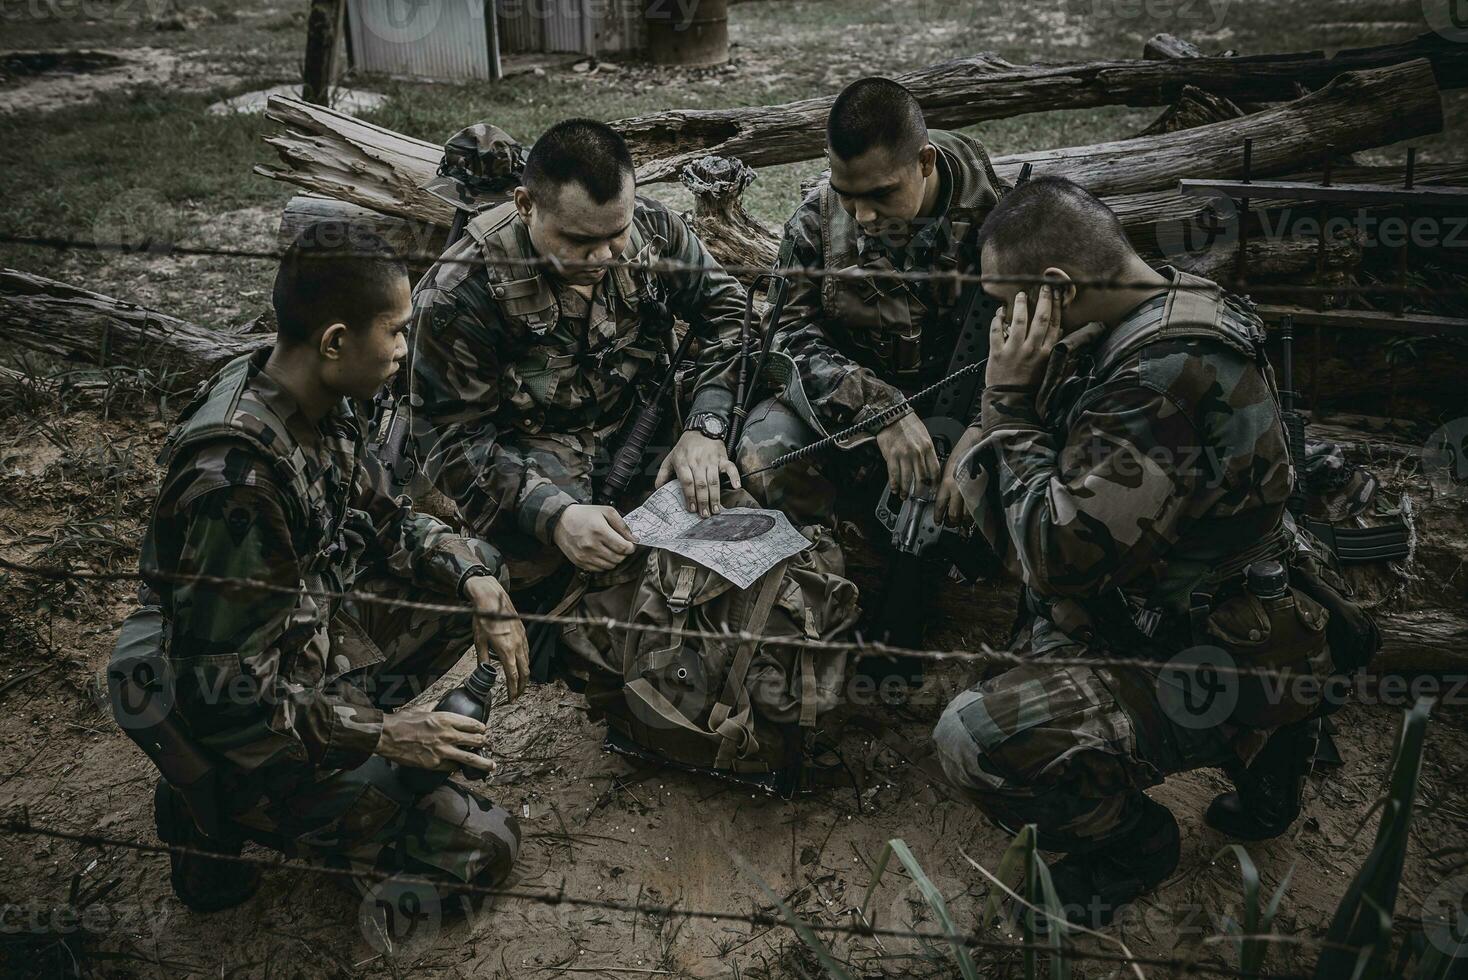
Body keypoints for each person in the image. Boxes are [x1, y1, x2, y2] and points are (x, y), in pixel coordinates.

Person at [933, 177, 1330, 927]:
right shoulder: (1165, 308)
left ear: (1054, 289)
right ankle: (1272, 744)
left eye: (1002, 300)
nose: (998, 319)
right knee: (1032, 623)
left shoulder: (1159, 379)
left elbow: (1058, 554)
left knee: (974, 738)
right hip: (1225, 603)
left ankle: (1136, 845)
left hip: (1210, 649)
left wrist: (1006, 406)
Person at [125, 225, 529, 912]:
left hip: (299, 647)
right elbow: (225, 701)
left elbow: (390, 518)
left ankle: (345, 772)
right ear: (336, 340)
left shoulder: (317, 400)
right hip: (236, 728)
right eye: (396, 331)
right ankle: (207, 807)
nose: (405, 349)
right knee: (486, 845)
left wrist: (477, 582)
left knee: (476, 566)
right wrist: (386, 736)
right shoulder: (237, 483)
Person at [408, 118, 749, 593]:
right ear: (525, 206)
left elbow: (732, 312)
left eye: (615, 234)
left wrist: (706, 424)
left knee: (749, 471)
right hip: (535, 452)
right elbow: (450, 440)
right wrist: (554, 515)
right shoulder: (460, 290)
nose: (603, 257)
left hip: (647, 417)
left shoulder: (653, 229)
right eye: (579, 242)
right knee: (563, 574)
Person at [735, 76, 1006, 535]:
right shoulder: (816, 222)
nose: (861, 215)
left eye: (880, 194)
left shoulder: (998, 217)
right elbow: (783, 339)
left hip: (968, 415)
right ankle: (821, 579)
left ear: (925, 162)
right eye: (847, 194)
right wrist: (879, 409)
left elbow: (1031, 339)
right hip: (854, 414)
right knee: (766, 453)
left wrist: (985, 427)